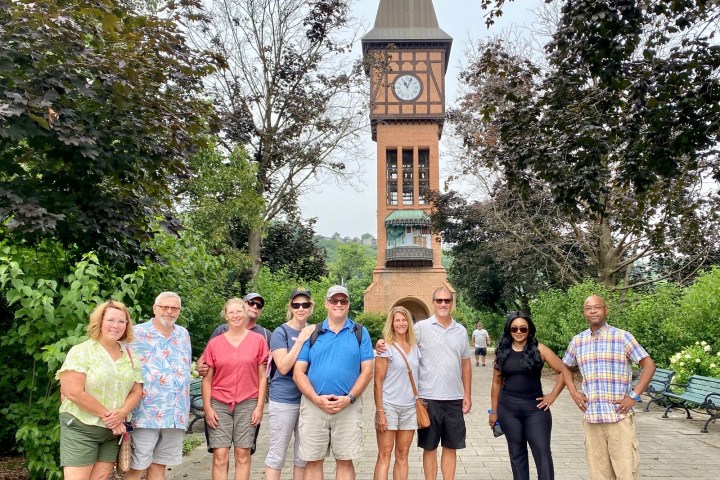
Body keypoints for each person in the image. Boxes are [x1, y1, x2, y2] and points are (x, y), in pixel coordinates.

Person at [376, 287, 472, 480]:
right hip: (427, 398)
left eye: (447, 300)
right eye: (439, 300)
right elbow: (399, 341)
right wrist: (381, 342)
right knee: (430, 447)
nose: (443, 304)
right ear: (433, 303)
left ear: (452, 302)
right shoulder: (421, 328)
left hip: (454, 398)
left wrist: (467, 394)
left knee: (450, 446)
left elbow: (466, 364)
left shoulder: (461, 331)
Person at [562, 295, 656, 480]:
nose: (593, 311)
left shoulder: (622, 337)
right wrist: (573, 392)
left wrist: (634, 396)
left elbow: (649, 365)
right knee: (598, 474)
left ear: (606, 310)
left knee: (625, 472)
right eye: (588, 308)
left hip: (618, 417)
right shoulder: (578, 341)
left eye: (597, 307)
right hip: (592, 418)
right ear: (584, 313)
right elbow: (565, 366)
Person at [293, 285, 374, 480]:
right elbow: (298, 373)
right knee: (313, 460)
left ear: (348, 305)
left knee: (345, 460)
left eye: (343, 301)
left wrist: (350, 398)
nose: (338, 304)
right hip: (314, 406)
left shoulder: (360, 333)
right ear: (326, 304)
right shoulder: (313, 333)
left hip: (348, 407)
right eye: (334, 301)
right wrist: (315, 398)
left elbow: (367, 371)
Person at [57, 300, 143, 480]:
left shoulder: (130, 355)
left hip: (111, 434)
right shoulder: (81, 351)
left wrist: (122, 412)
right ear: (100, 322)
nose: (116, 326)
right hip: (81, 427)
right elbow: (72, 392)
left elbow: (137, 391)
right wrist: (112, 418)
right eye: (111, 320)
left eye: (122, 321)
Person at [488, 312, 573, 480]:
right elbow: (496, 383)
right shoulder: (502, 352)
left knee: (542, 451)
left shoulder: (539, 349)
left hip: (535, 410)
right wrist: (494, 411)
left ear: (529, 330)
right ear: (509, 330)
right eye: (514, 328)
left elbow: (564, 370)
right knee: (516, 453)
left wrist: (553, 395)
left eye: (522, 328)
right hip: (508, 410)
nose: (518, 332)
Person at [127, 292, 192, 480]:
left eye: (174, 308)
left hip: (175, 414)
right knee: (137, 467)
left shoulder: (183, 334)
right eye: (165, 307)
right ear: (155, 308)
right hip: (145, 412)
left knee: (159, 466)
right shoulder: (136, 333)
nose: (169, 312)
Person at [202, 298, 269, 480]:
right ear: (225, 315)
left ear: (245, 312)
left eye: (239, 311)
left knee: (242, 454)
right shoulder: (215, 343)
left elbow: (262, 376)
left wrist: (259, 407)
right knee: (220, 455)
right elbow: (206, 379)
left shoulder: (258, 341)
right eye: (231, 312)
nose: (235, 315)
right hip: (219, 403)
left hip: (248, 402)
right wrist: (207, 408)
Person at [264, 288, 317, 480]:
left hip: (308, 401)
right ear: (291, 307)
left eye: (305, 305)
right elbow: (284, 367)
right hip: (284, 399)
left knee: (303, 457)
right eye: (296, 305)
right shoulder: (281, 332)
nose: (300, 308)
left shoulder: (315, 330)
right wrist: (301, 340)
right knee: (277, 455)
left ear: (311, 307)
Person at [373, 306, 420, 480]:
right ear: (392, 324)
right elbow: (377, 382)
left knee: (403, 454)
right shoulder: (386, 347)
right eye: (397, 320)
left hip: (410, 408)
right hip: (389, 406)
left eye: (404, 319)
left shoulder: (415, 347)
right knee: (385, 454)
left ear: (409, 322)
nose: (401, 323)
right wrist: (380, 411)